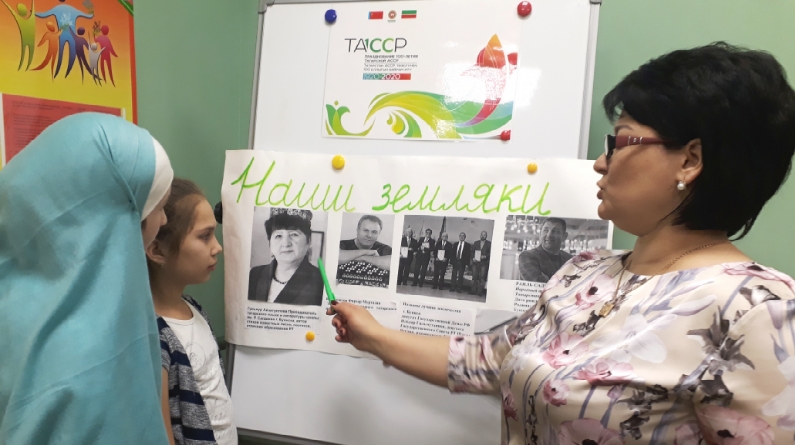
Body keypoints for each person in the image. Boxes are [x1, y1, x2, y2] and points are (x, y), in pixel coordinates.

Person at [327, 43, 795, 444]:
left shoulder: (756, 309)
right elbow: (488, 360)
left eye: (619, 142)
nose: (600, 162)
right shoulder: (586, 272)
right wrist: (372, 336)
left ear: (690, 160)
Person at [0, 112, 174, 444]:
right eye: (158, 206)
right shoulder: (97, 351)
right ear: (118, 216)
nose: (163, 221)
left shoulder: (12, 307)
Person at [146, 179, 236, 445]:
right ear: (157, 250)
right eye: (204, 236)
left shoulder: (193, 308)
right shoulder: (153, 337)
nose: (217, 247)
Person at [248, 208, 323, 305]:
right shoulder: (255, 274)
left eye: (294, 234)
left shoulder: (320, 280)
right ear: (270, 244)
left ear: (308, 242)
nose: (286, 243)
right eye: (278, 236)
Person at [337, 215, 392, 288]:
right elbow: (336, 257)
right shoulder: (342, 244)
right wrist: (366, 252)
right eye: (365, 230)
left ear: (379, 233)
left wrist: (362, 257)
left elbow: (392, 264)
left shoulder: (385, 249)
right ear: (357, 230)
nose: (369, 235)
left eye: (374, 232)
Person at [518, 218, 573, 283]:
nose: (549, 235)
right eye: (546, 230)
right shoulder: (527, 256)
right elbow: (538, 284)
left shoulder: (570, 260)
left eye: (555, 231)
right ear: (540, 233)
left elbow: (578, 286)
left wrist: (548, 280)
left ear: (564, 236)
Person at [470, 230, 491, 296]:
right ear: (480, 235)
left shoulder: (489, 243)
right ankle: (473, 291)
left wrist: (485, 256)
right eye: (482, 234)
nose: (482, 236)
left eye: (484, 235)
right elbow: (472, 252)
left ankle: (479, 292)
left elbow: (490, 253)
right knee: (474, 277)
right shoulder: (476, 243)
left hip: (483, 263)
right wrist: (473, 258)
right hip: (475, 262)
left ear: (486, 236)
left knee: (482, 278)